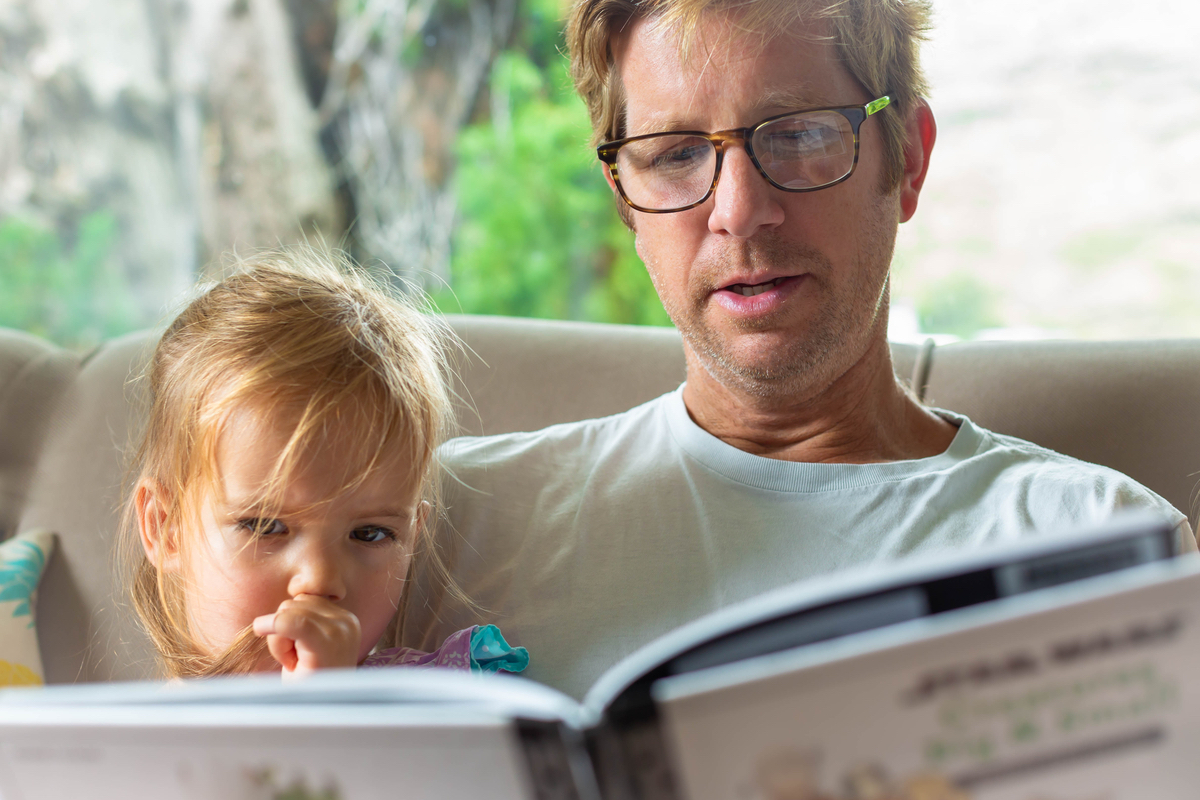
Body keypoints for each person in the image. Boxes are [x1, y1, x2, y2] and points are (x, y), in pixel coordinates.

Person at [401, 0, 1195, 700]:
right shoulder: (433, 524)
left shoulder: (1099, 541)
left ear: (908, 159)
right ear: (624, 202)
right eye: (677, 154)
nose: (741, 211)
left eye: (800, 134)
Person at [120, 249, 527, 679]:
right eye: (265, 526)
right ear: (166, 528)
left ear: (413, 539)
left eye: (370, 534)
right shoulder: (112, 733)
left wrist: (329, 706)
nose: (319, 580)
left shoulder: (430, 704)